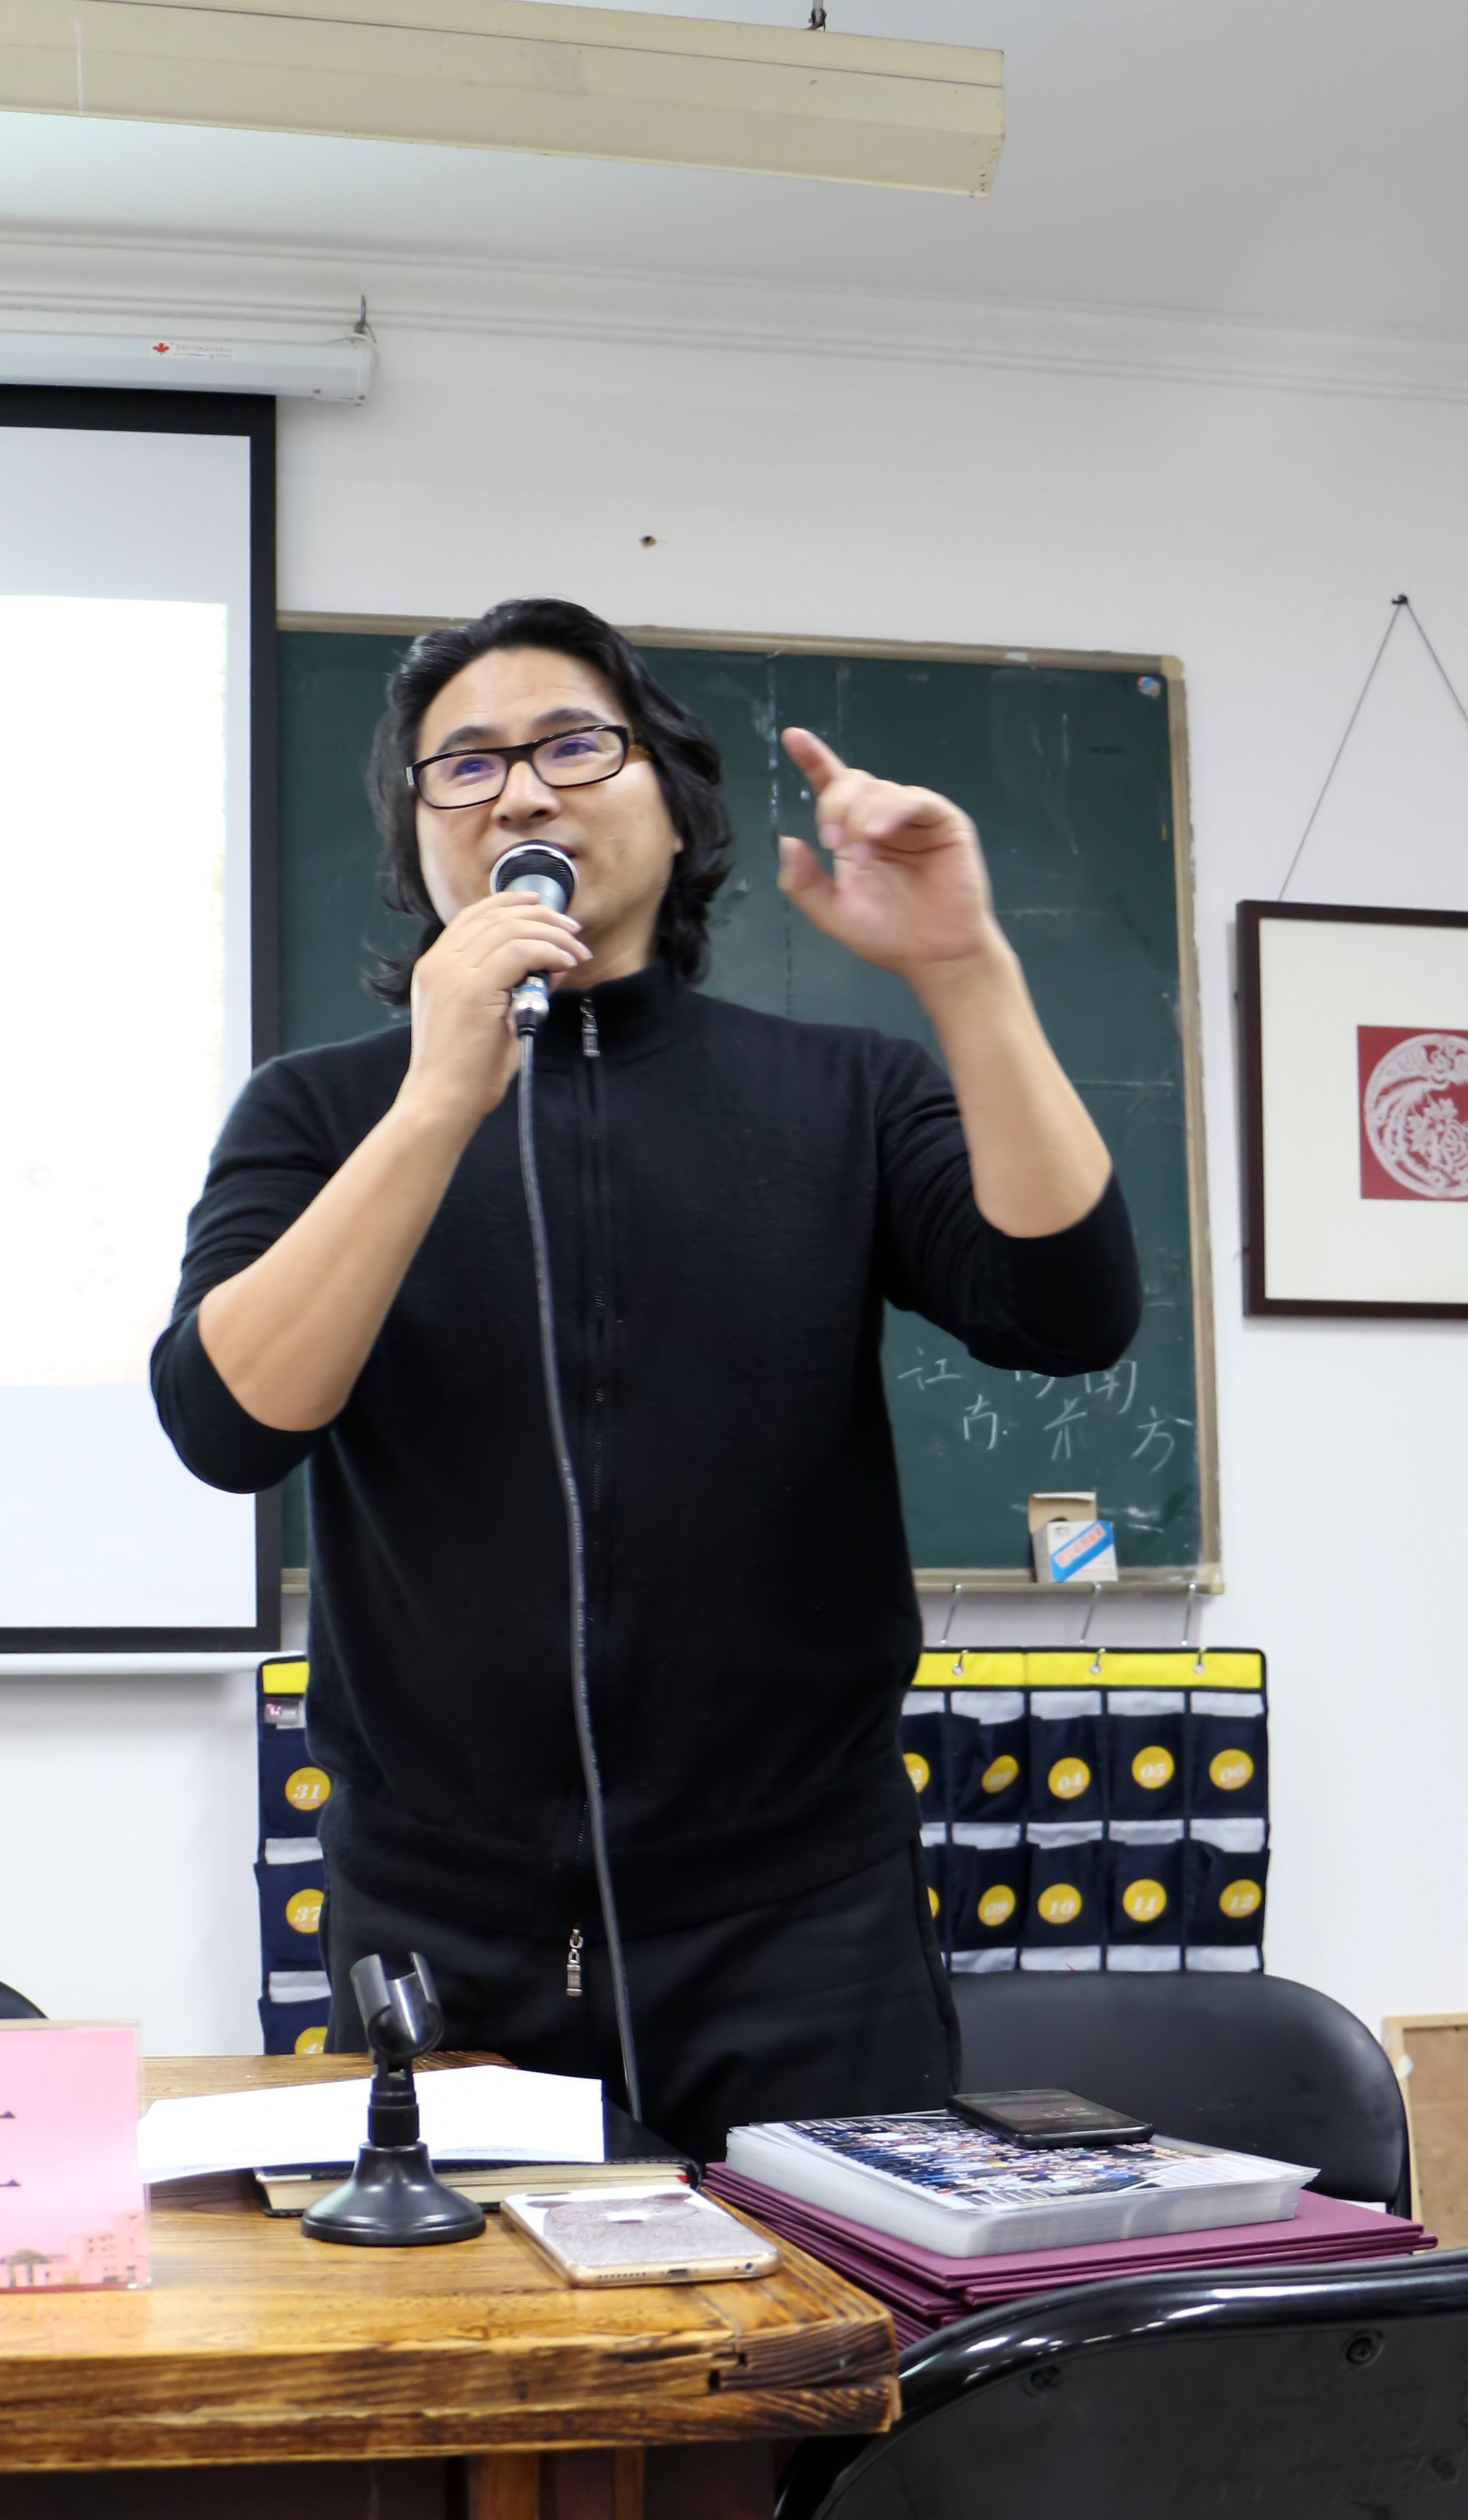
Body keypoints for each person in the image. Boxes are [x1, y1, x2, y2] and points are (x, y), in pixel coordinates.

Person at [152, 598, 1139, 2166]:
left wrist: (964, 972)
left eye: (570, 748)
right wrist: (439, 1100)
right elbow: (226, 1423)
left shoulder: (845, 1093)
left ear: (676, 812)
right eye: (464, 766)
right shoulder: (319, 1115)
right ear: (420, 840)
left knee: (829, 2328)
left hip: (805, 1926)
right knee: (468, 2330)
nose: (518, 797)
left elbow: (1067, 1309)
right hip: (445, 1928)